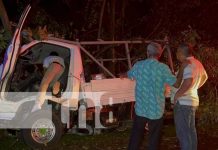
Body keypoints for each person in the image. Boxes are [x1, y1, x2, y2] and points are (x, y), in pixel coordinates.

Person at [127, 42, 179, 150]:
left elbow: (129, 74)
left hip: (141, 108)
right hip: (156, 109)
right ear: (159, 54)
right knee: (154, 139)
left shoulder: (139, 65)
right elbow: (175, 82)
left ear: (147, 53)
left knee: (136, 137)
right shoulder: (163, 68)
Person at [172, 44, 208, 150]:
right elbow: (205, 77)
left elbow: (188, 81)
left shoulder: (187, 64)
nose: (176, 54)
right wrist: (194, 87)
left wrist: (178, 94)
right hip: (192, 101)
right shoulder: (197, 63)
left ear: (181, 53)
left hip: (183, 102)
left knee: (183, 134)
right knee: (191, 132)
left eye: (177, 52)